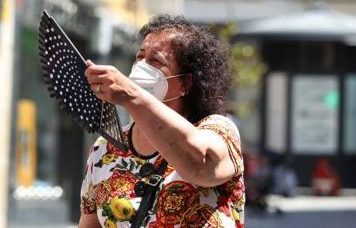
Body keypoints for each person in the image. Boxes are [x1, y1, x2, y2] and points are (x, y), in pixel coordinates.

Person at [80, 15, 244, 228]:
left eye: (155, 61)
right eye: (139, 57)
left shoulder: (219, 130)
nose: (141, 66)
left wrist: (132, 96)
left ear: (185, 83)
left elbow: (199, 164)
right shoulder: (105, 149)